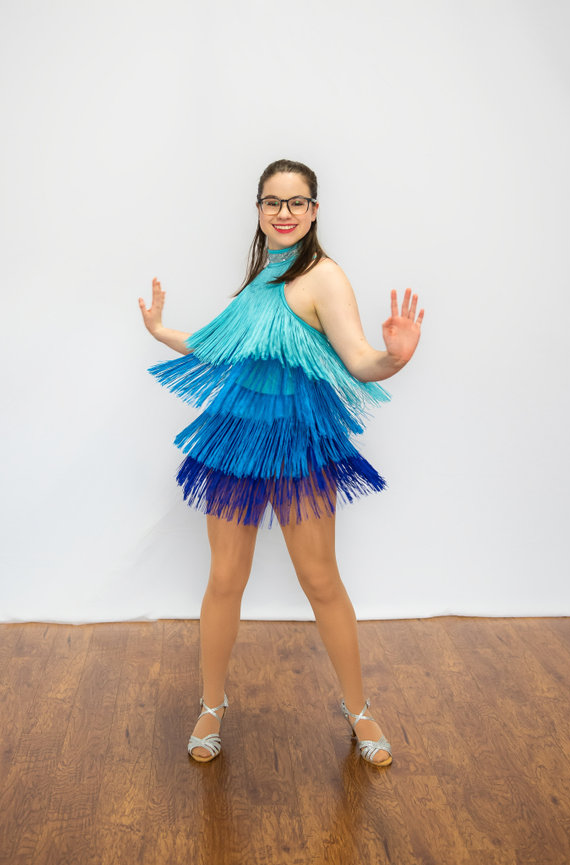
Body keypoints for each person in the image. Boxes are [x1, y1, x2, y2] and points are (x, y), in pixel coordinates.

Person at [138, 158, 424, 767]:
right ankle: (211, 706)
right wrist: (162, 332)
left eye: (297, 202)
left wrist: (393, 358)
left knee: (320, 580)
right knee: (224, 579)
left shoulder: (324, 277)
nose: (284, 212)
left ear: (314, 211)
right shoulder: (261, 277)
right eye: (273, 201)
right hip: (237, 439)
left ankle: (359, 709)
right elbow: (217, 344)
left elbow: (359, 359)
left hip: (297, 442)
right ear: (260, 210)